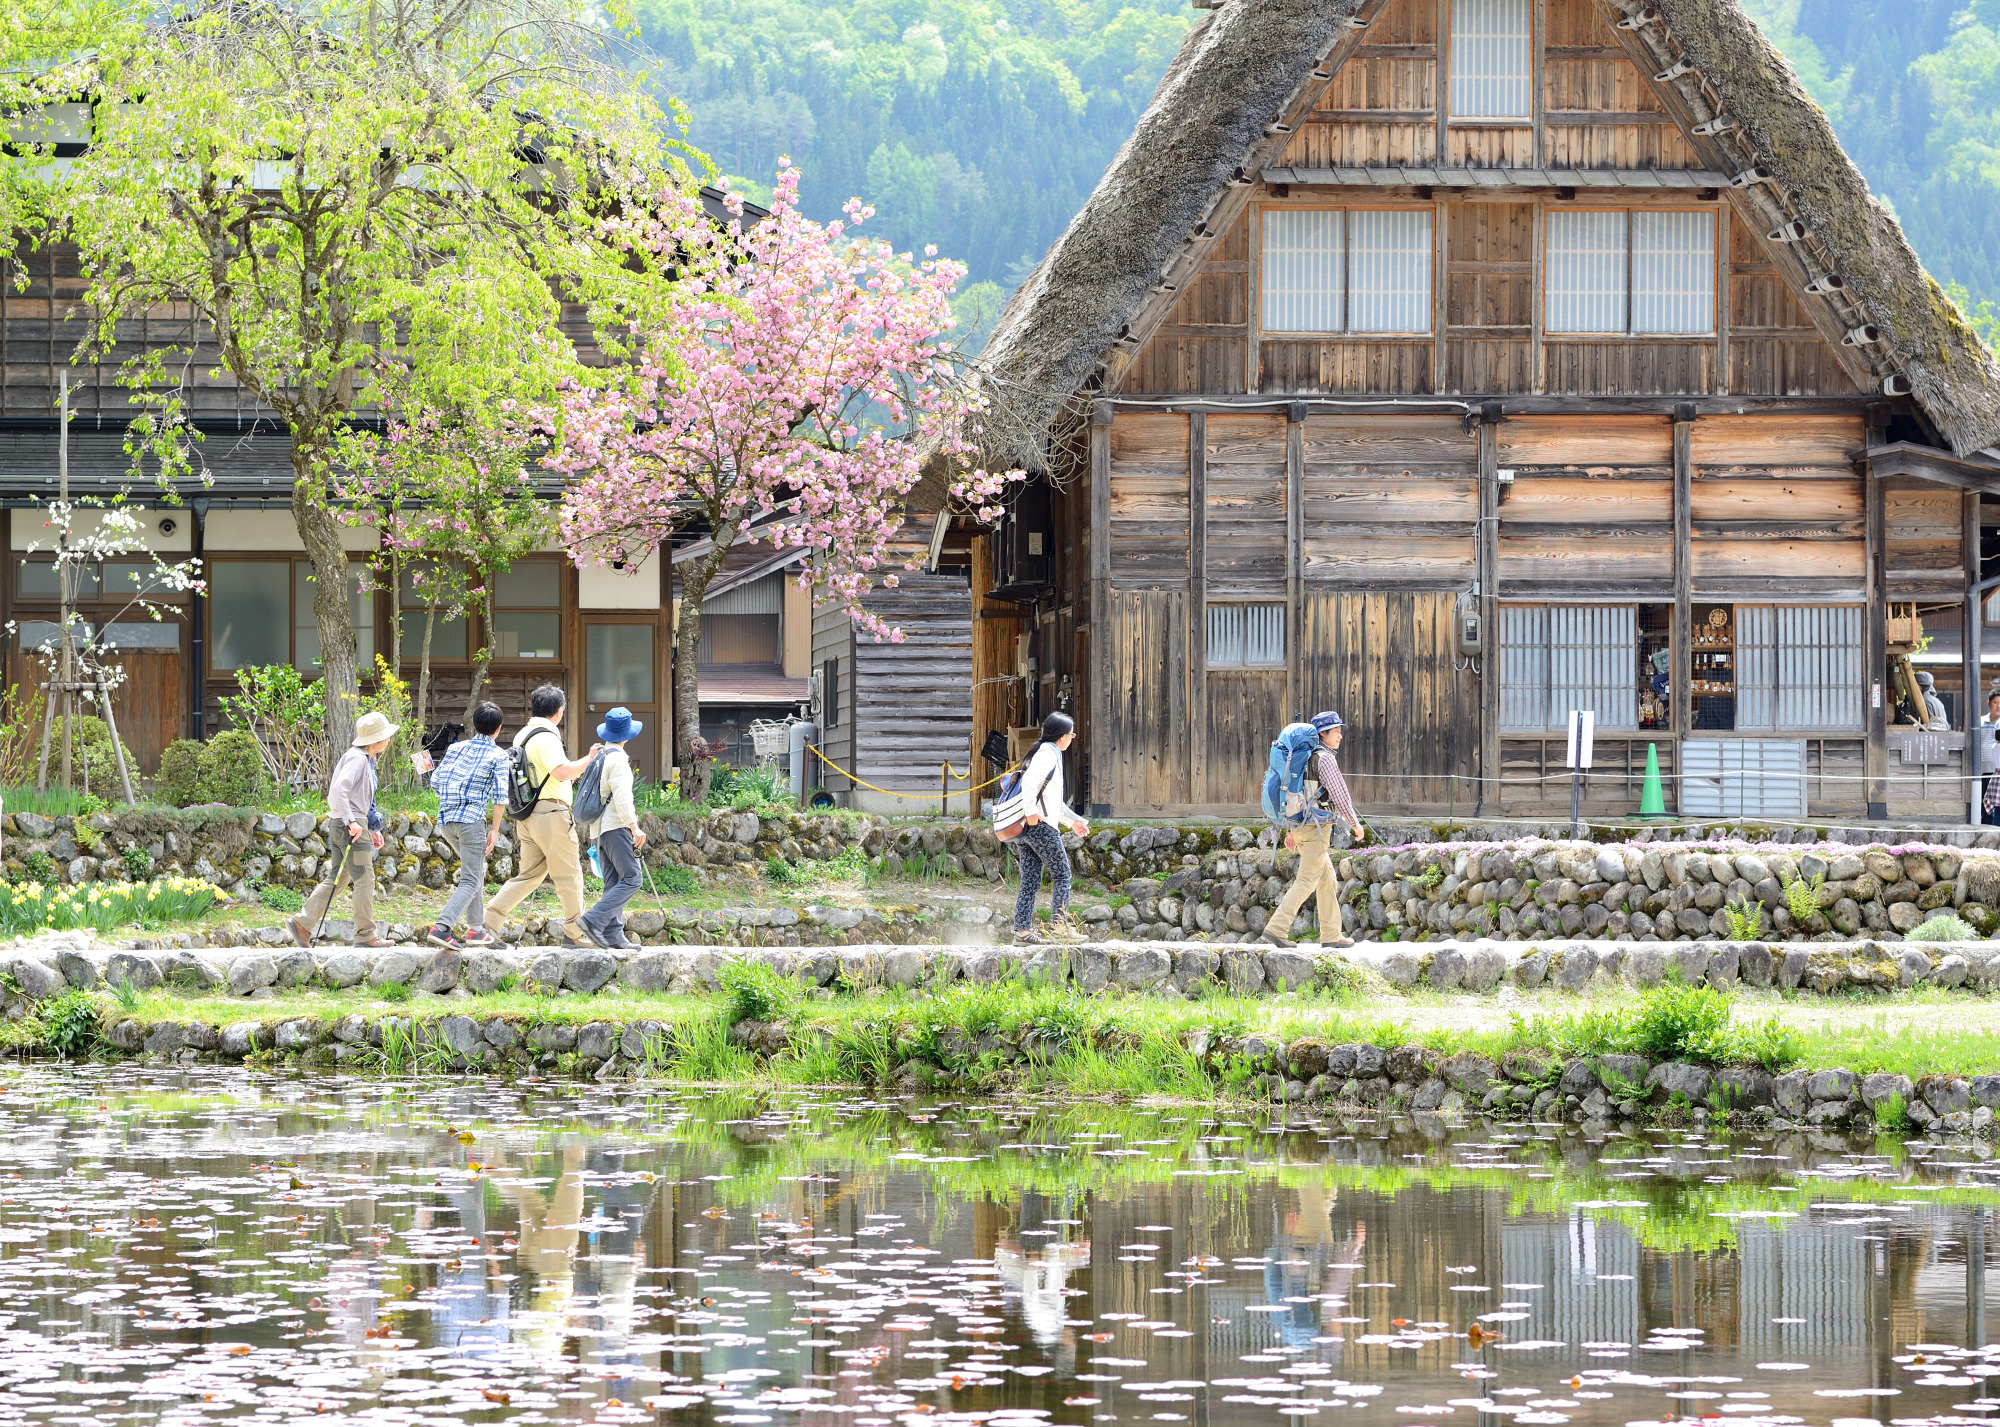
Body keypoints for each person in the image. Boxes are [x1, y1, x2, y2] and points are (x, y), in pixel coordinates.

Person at [484, 683, 601, 948]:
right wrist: (589, 758)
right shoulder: (547, 737)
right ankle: (575, 932)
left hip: (527, 816)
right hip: (551, 814)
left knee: (528, 876)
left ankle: (488, 924)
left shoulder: (522, 735)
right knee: (569, 874)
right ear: (559, 712)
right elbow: (561, 772)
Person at [290, 709, 397, 948]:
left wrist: (372, 828)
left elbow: (361, 799)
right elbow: (338, 791)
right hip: (350, 826)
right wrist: (353, 822)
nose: (389, 740)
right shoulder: (359, 759)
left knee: (339, 877)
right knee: (364, 879)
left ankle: (302, 923)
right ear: (376, 739)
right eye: (386, 736)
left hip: (346, 824)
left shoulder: (362, 758)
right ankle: (366, 935)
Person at [1260, 710, 1363, 948]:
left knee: (1327, 881)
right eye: (1335, 731)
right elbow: (1340, 794)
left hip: (1299, 826)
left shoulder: (1303, 757)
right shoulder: (1324, 758)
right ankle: (1276, 929)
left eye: (1339, 731)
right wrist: (1355, 823)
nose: (1340, 736)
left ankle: (1331, 935)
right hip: (1316, 829)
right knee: (1307, 880)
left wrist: (1289, 830)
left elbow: (1293, 794)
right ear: (1322, 734)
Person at [425, 701, 511, 951]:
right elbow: (500, 797)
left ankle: (476, 929)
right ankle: (442, 927)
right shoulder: (498, 755)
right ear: (499, 729)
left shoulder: (455, 749)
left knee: (474, 873)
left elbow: (435, 782)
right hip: (471, 822)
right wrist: (494, 830)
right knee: (471, 879)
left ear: (474, 725)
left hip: (446, 822)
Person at [1012, 711, 1090, 946]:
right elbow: (1029, 785)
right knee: (1063, 876)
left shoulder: (1045, 752)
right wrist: (1030, 812)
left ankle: (1022, 933)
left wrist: (1073, 821)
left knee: (1030, 881)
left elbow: (1052, 801)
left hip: (1028, 829)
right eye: (1072, 733)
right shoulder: (1048, 754)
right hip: (1040, 826)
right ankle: (1060, 928)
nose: (1073, 738)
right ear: (1061, 736)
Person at [579, 706, 648, 950]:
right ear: (627, 735)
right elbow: (622, 798)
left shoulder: (599, 757)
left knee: (614, 881)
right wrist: (634, 828)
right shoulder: (618, 759)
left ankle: (614, 936)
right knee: (632, 877)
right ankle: (593, 919)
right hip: (616, 826)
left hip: (599, 830)